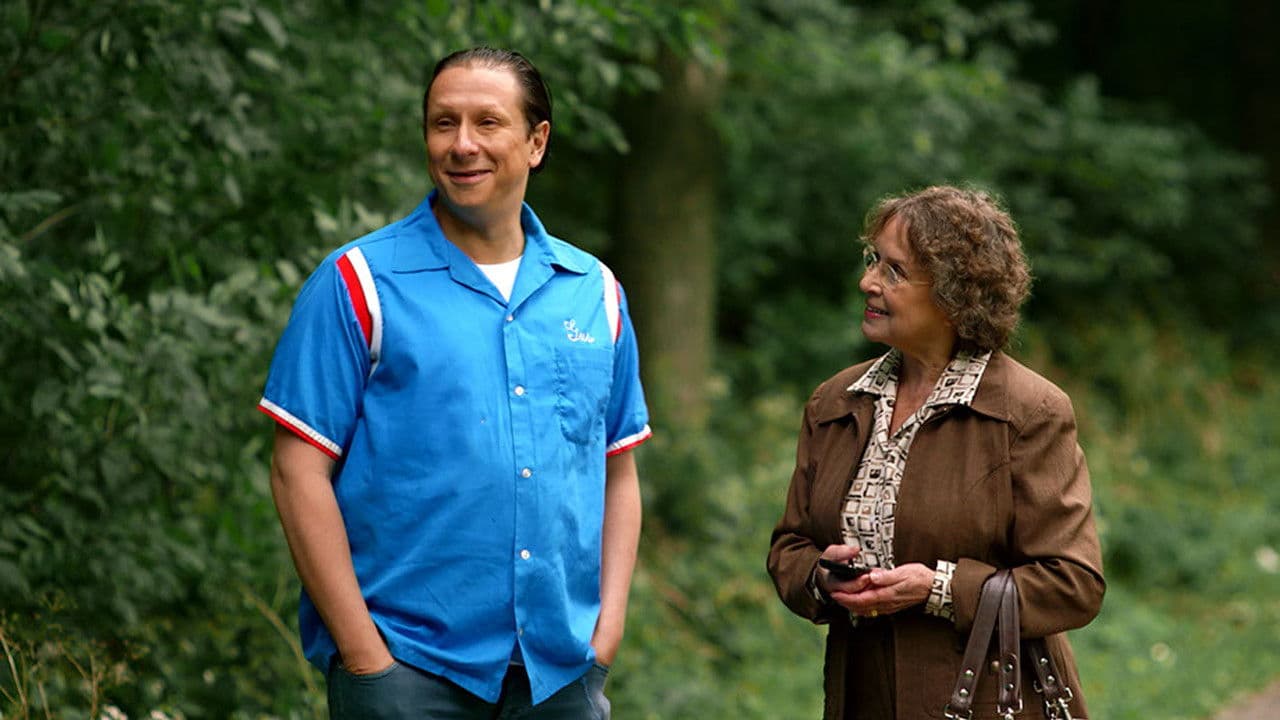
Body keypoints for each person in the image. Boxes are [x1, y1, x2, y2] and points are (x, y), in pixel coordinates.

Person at [258, 46, 651, 719]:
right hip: (407, 671)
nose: (462, 144)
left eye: (487, 122)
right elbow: (297, 472)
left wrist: (605, 635)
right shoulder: (358, 283)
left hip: (559, 677)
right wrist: (366, 658)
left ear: (536, 142)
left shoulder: (596, 293)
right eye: (444, 123)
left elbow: (617, 472)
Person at [766, 186, 1105, 720]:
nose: (868, 282)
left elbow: (1073, 584)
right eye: (873, 260)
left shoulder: (1029, 411)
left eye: (894, 271)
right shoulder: (835, 402)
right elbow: (790, 547)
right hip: (861, 697)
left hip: (989, 703)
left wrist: (939, 588)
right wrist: (821, 578)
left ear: (954, 295)